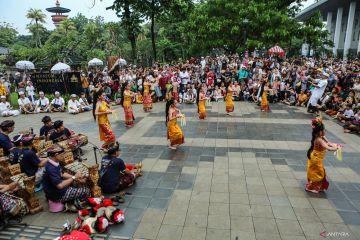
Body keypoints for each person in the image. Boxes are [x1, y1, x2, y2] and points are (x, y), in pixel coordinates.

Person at [306, 118, 339, 193]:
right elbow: (328, 148)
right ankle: (311, 187)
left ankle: (316, 186)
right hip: (316, 159)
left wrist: (329, 142)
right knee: (318, 173)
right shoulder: (319, 140)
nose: (324, 131)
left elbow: (326, 140)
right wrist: (336, 148)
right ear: (319, 132)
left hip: (316, 158)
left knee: (319, 171)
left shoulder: (320, 137)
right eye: (323, 130)